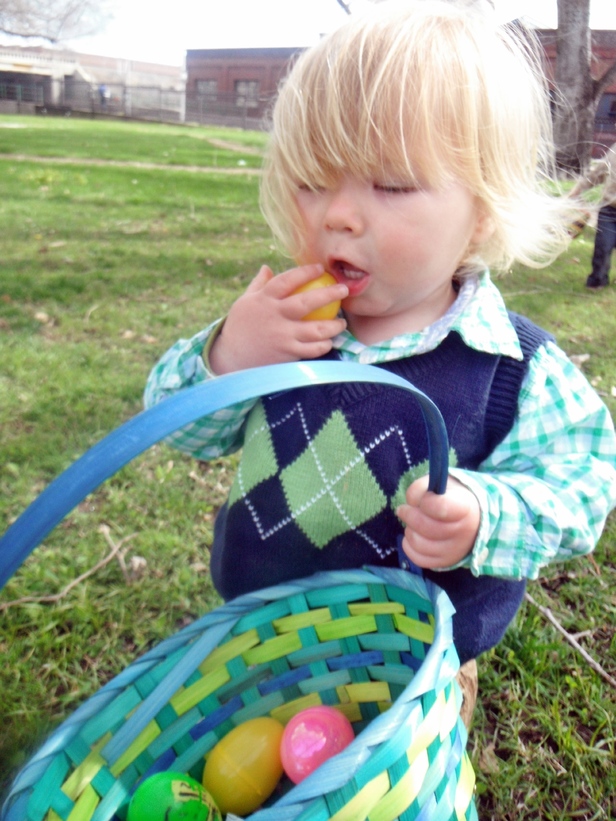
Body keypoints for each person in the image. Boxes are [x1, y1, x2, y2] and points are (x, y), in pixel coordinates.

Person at [144, 1, 616, 676]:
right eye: (311, 182)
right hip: (260, 645)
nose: (337, 214)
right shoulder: (285, 328)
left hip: (413, 672)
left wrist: (486, 514)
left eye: (391, 184)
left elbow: (583, 483)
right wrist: (229, 358)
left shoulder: (512, 367)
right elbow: (177, 430)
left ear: (482, 212)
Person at [570, 142, 616, 288]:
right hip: (609, 209)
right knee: (603, 246)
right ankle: (597, 281)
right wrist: (577, 190)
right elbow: (597, 174)